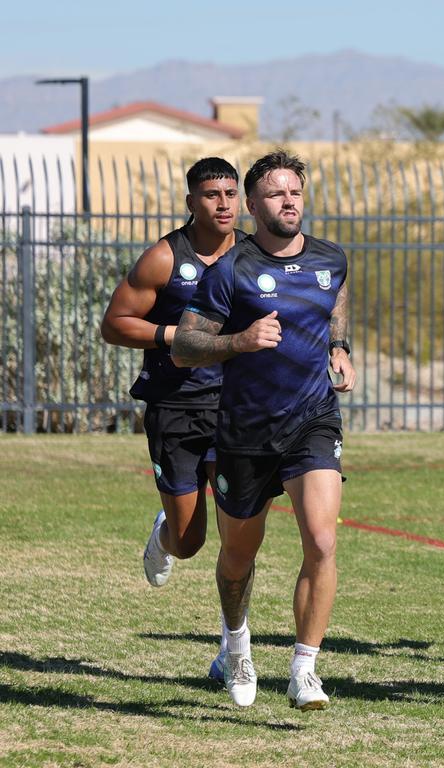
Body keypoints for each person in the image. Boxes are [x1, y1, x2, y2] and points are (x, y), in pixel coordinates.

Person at [171, 150, 356, 711]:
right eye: (276, 194)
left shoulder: (331, 257)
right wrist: (238, 342)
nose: (289, 201)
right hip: (246, 431)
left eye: (295, 191)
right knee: (237, 558)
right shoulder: (231, 269)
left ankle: (304, 669)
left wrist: (339, 347)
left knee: (322, 541)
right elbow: (183, 346)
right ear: (253, 205)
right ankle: (235, 645)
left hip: (312, 420)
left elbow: (334, 299)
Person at [100, 156, 244, 681]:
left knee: (239, 540)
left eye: (230, 193)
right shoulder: (165, 257)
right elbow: (114, 324)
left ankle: (233, 655)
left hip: (236, 410)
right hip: (176, 408)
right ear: (192, 202)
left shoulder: (253, 256)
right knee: (191, 543)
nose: (223, 203)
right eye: (211, 194)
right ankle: (166, 533)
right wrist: (175, 338)